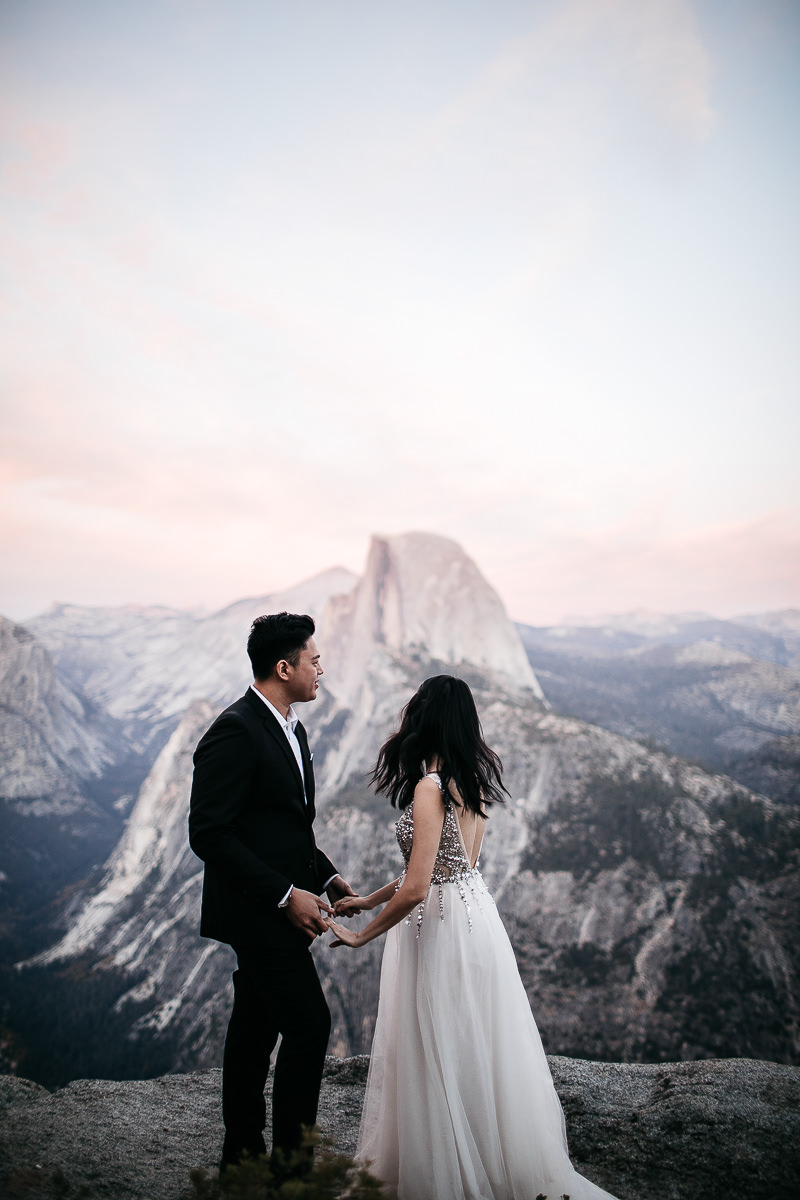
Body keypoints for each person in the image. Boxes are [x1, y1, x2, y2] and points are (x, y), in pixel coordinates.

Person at [327, 675, 620, 1200]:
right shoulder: (467, 784)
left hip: (440, 927)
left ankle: (449, 1175)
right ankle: (484, 1161)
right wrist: (367, 898)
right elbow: (449, 868)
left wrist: (361, 936)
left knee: (437, 1043)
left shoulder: (427, 787)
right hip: (475, 918)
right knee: (471, 1043)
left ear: (425, 719)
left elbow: (419, 887)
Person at [188, 611, 359, 1173]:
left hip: (279, 902)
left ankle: (241, 1154)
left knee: (255, 1025)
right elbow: (209, 832)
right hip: (258, 911)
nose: (321, 669)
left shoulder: (293, 726)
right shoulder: (236, 729)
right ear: (283, 668)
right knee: (310, 1025)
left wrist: (326, 874)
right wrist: (288, 895)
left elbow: (286, 826)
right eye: (313, 661)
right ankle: (291, 1170)